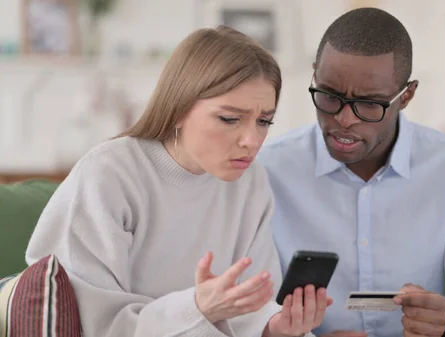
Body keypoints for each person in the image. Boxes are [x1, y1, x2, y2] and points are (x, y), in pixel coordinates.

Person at [25, 26, 330, 337]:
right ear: (179, 110)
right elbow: (95, 323)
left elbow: (249, 311)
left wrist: (274, 328)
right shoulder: (109, 174)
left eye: (264, 121)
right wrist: (197, 308)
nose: (252, 141)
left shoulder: (250, 183)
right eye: (229, 119)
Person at [257, 7, 445, 337]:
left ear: (406, 96)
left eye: (369, 103)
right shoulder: (267, 171)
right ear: (315, 76)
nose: (344, 120)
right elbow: (249, 316)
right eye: (329, 96)